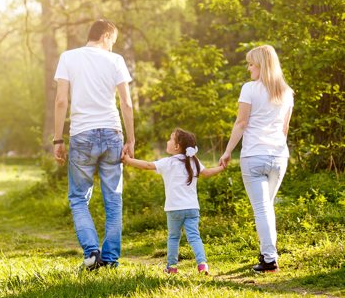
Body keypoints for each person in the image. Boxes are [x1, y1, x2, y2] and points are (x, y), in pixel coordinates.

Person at [52, 19, 135, 270]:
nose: (113, 46)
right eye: (113, 41)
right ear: (106, 35)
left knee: (78, 198)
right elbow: (126, 103)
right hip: (112, 133)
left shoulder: (68, 57)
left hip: (82, 135)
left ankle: (92, 253)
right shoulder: (116, 60)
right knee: (114, 200)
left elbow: (60, 101)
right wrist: (130, 139)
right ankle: (110, 260)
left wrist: (58, 139)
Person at [218, 45, 294, 273]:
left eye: (252, 64)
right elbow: (285, 128)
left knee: (262, 209)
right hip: (279, 156)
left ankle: (270, 259)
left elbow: (241, 123)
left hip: (254, 156)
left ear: (261, 65)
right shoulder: (287, 92)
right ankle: (266, 253)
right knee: (266, 207)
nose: (249, 68)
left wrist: (227, 150)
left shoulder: (250, 89)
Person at [122, 128, 224, 274]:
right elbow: (207, 173)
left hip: (174, 209)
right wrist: (221, 168)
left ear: (177, 147)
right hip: (192, 208)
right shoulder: (194, 161)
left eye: (170, 139)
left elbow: (147, 165)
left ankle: (172, 267)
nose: (167, 141)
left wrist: (128, 160)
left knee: (174, 238)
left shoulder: (168, 162)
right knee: (194, 237)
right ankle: (202, 265)